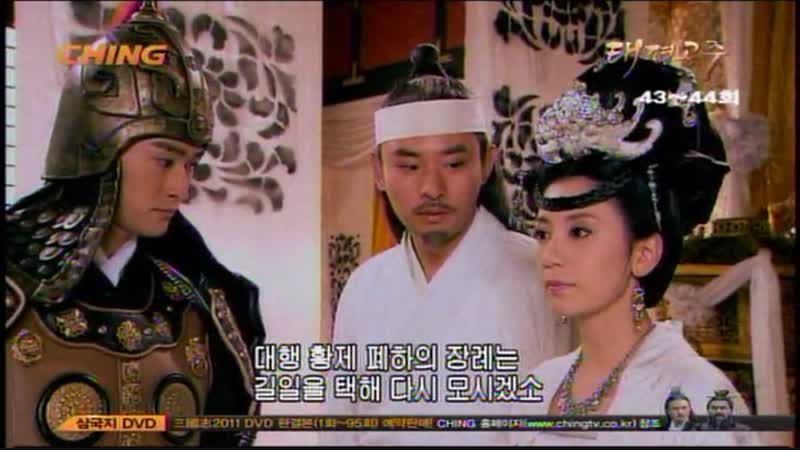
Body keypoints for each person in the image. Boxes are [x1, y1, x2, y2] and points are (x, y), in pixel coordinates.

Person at [5, 2, 264, 447]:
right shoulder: (15, 290)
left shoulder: (200, 304)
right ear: (98, 149)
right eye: (164, 160)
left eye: (190, 164)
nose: (181, 188)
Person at [321, 44, 564, 446]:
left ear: (486, 163)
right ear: (378, 172)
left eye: (453, 164)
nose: (431, 188)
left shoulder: (540, 272)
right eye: (409, 166)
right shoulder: (365, 286)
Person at [510, 57, 760, 446]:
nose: (549, 255)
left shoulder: (698, 398)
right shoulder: (538, 386)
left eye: (579, 231)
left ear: (644, 253)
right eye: (543, 234)